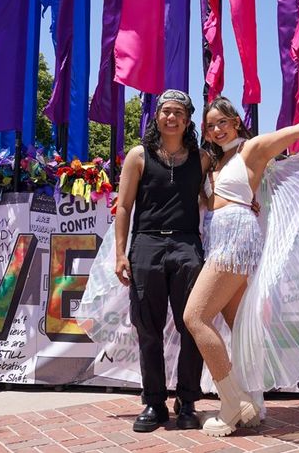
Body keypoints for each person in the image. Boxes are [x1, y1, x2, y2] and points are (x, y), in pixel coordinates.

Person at [183, 97, 299, 437]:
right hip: (220, 239)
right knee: (237, 324)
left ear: (236, 122)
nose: (216, 129)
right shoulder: (214, 162)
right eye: (210, 126)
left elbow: (294, 131)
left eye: (222, 122)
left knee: (194, 317)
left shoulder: (252, 149)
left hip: (236, 240)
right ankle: (253, 402)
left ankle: (230, 404)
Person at [113, 90, 209, 432]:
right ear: (157, 117)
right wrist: (120, 253)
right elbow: (123, 207)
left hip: (186, 245)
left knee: (192, 326)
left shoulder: (202, 158)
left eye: (178, 113)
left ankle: (187, 400)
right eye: (166, 112)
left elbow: (219, 193)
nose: (171, 118)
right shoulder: (139, 156)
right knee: (148, 328)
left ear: (187, 120)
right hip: (147, 245)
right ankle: (154, 403)